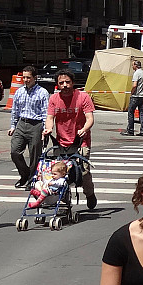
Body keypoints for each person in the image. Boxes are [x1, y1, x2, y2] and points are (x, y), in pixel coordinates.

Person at [44, 70, 98, 211]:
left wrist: (84, 129)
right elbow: (50, 118)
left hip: (80, 141)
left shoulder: (83, 97)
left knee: (83, 172)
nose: (65, 85)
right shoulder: (54, 99)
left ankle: (89, 193)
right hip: (60, 142)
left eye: (68, 82)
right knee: (60, 172)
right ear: (57, 85)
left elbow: (90, 118)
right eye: (61, 83)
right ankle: (64, 199)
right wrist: (48, 129)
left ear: (73, 83)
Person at [7, 65, 48, 188]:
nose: (25, 80)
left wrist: (45, 129)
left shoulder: (42, 92)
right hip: (21, 123)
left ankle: (32, 179)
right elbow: (15, 110)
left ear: (35, 78)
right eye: (24, 77)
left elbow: (45, 112)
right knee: (15, 151)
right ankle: (24, 173)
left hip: (36, 125)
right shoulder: (19, 92)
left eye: (28, 77)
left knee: (35, 154)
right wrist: (13, 126)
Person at [123, 58, 143, 136]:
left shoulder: (136, 73)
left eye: (133, 65)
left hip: (136, 96)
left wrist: (132, 92)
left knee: (131, 112)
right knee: (142, 113)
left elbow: (134, 85)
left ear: (135, 66)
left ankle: (130, 130)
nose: (132, 67)